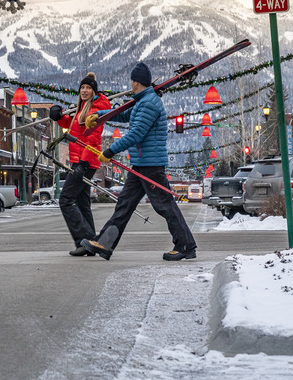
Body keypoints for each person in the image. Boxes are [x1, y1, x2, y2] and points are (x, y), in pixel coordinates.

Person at [80, 61, 197, 261]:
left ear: (136, 82)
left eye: (131, 80)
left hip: (151, 165)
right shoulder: (142, 101)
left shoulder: (149, 103)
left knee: (164, 205)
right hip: (142, 163)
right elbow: (125, 115)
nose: (131, 83)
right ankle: (105, 243)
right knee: (124, 205)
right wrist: (99, 115)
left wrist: (110, 150)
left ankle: (186, 245)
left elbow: (136, 134)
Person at [49, 73, 111, 256]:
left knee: (66, 200)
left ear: (94, 91)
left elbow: (92, 137)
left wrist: (83, 162)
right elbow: (74, 126)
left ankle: (84, 240)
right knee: (83, 203)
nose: (84, 91)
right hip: (81, 160)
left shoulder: (97, 109)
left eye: (88, 88)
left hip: (86, 161)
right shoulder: (83, 107)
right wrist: (59, 117)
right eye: (82, 88)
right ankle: (91, 243)